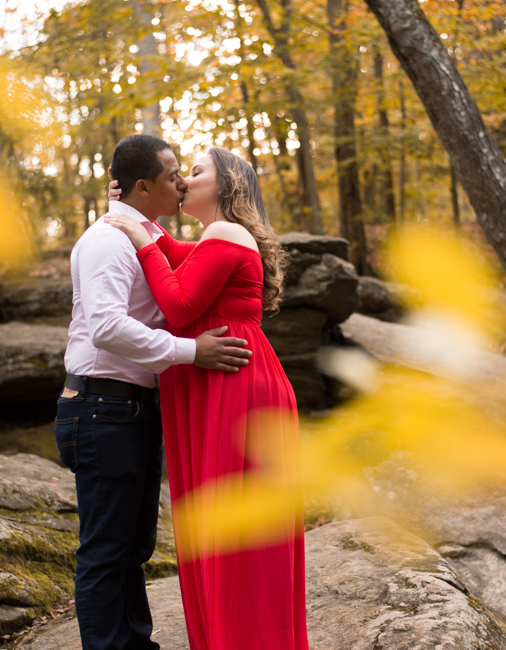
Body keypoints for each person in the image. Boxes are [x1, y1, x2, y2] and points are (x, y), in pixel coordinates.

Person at [105, 147, 309, 650]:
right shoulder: (212, 240)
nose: (181, 181)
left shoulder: (225, 233)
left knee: (235, 533)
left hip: (235, 386)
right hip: (218, 382)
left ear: (226, 186)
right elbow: (174, 253)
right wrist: (133, 209)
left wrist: (137, 234)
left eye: (194, 173)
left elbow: (178, 306)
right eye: (175, 175)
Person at [56, 134, 253, 650]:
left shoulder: (142, 234)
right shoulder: (107, 240)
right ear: (144, 187)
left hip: (134, 410)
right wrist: (192, 353)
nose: (183, 182)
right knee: (105, 551)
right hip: (102, 408)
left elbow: (191, 275)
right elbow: (106, 328)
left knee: (134, 547)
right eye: (172, 176)